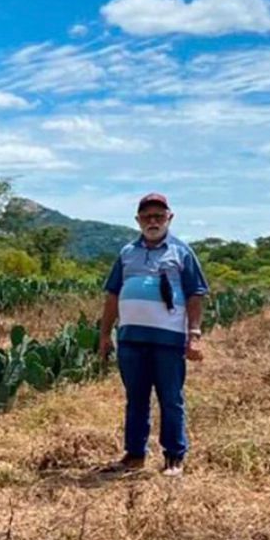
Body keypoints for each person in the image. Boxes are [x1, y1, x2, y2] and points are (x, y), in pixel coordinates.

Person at [97, 193, 208, 478]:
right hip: (131, 339)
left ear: (170, 218)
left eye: (159, 216)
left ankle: (174, 457)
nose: (153, 221)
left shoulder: (182, 252)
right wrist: (105, 334)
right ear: (138, 220)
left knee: (170, 398)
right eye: (147, 217)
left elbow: (195, 294)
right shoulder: (127, 253)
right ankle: (134, 455)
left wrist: (194, 335)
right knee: (136, 398)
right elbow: (112, 294)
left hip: (168, 341)